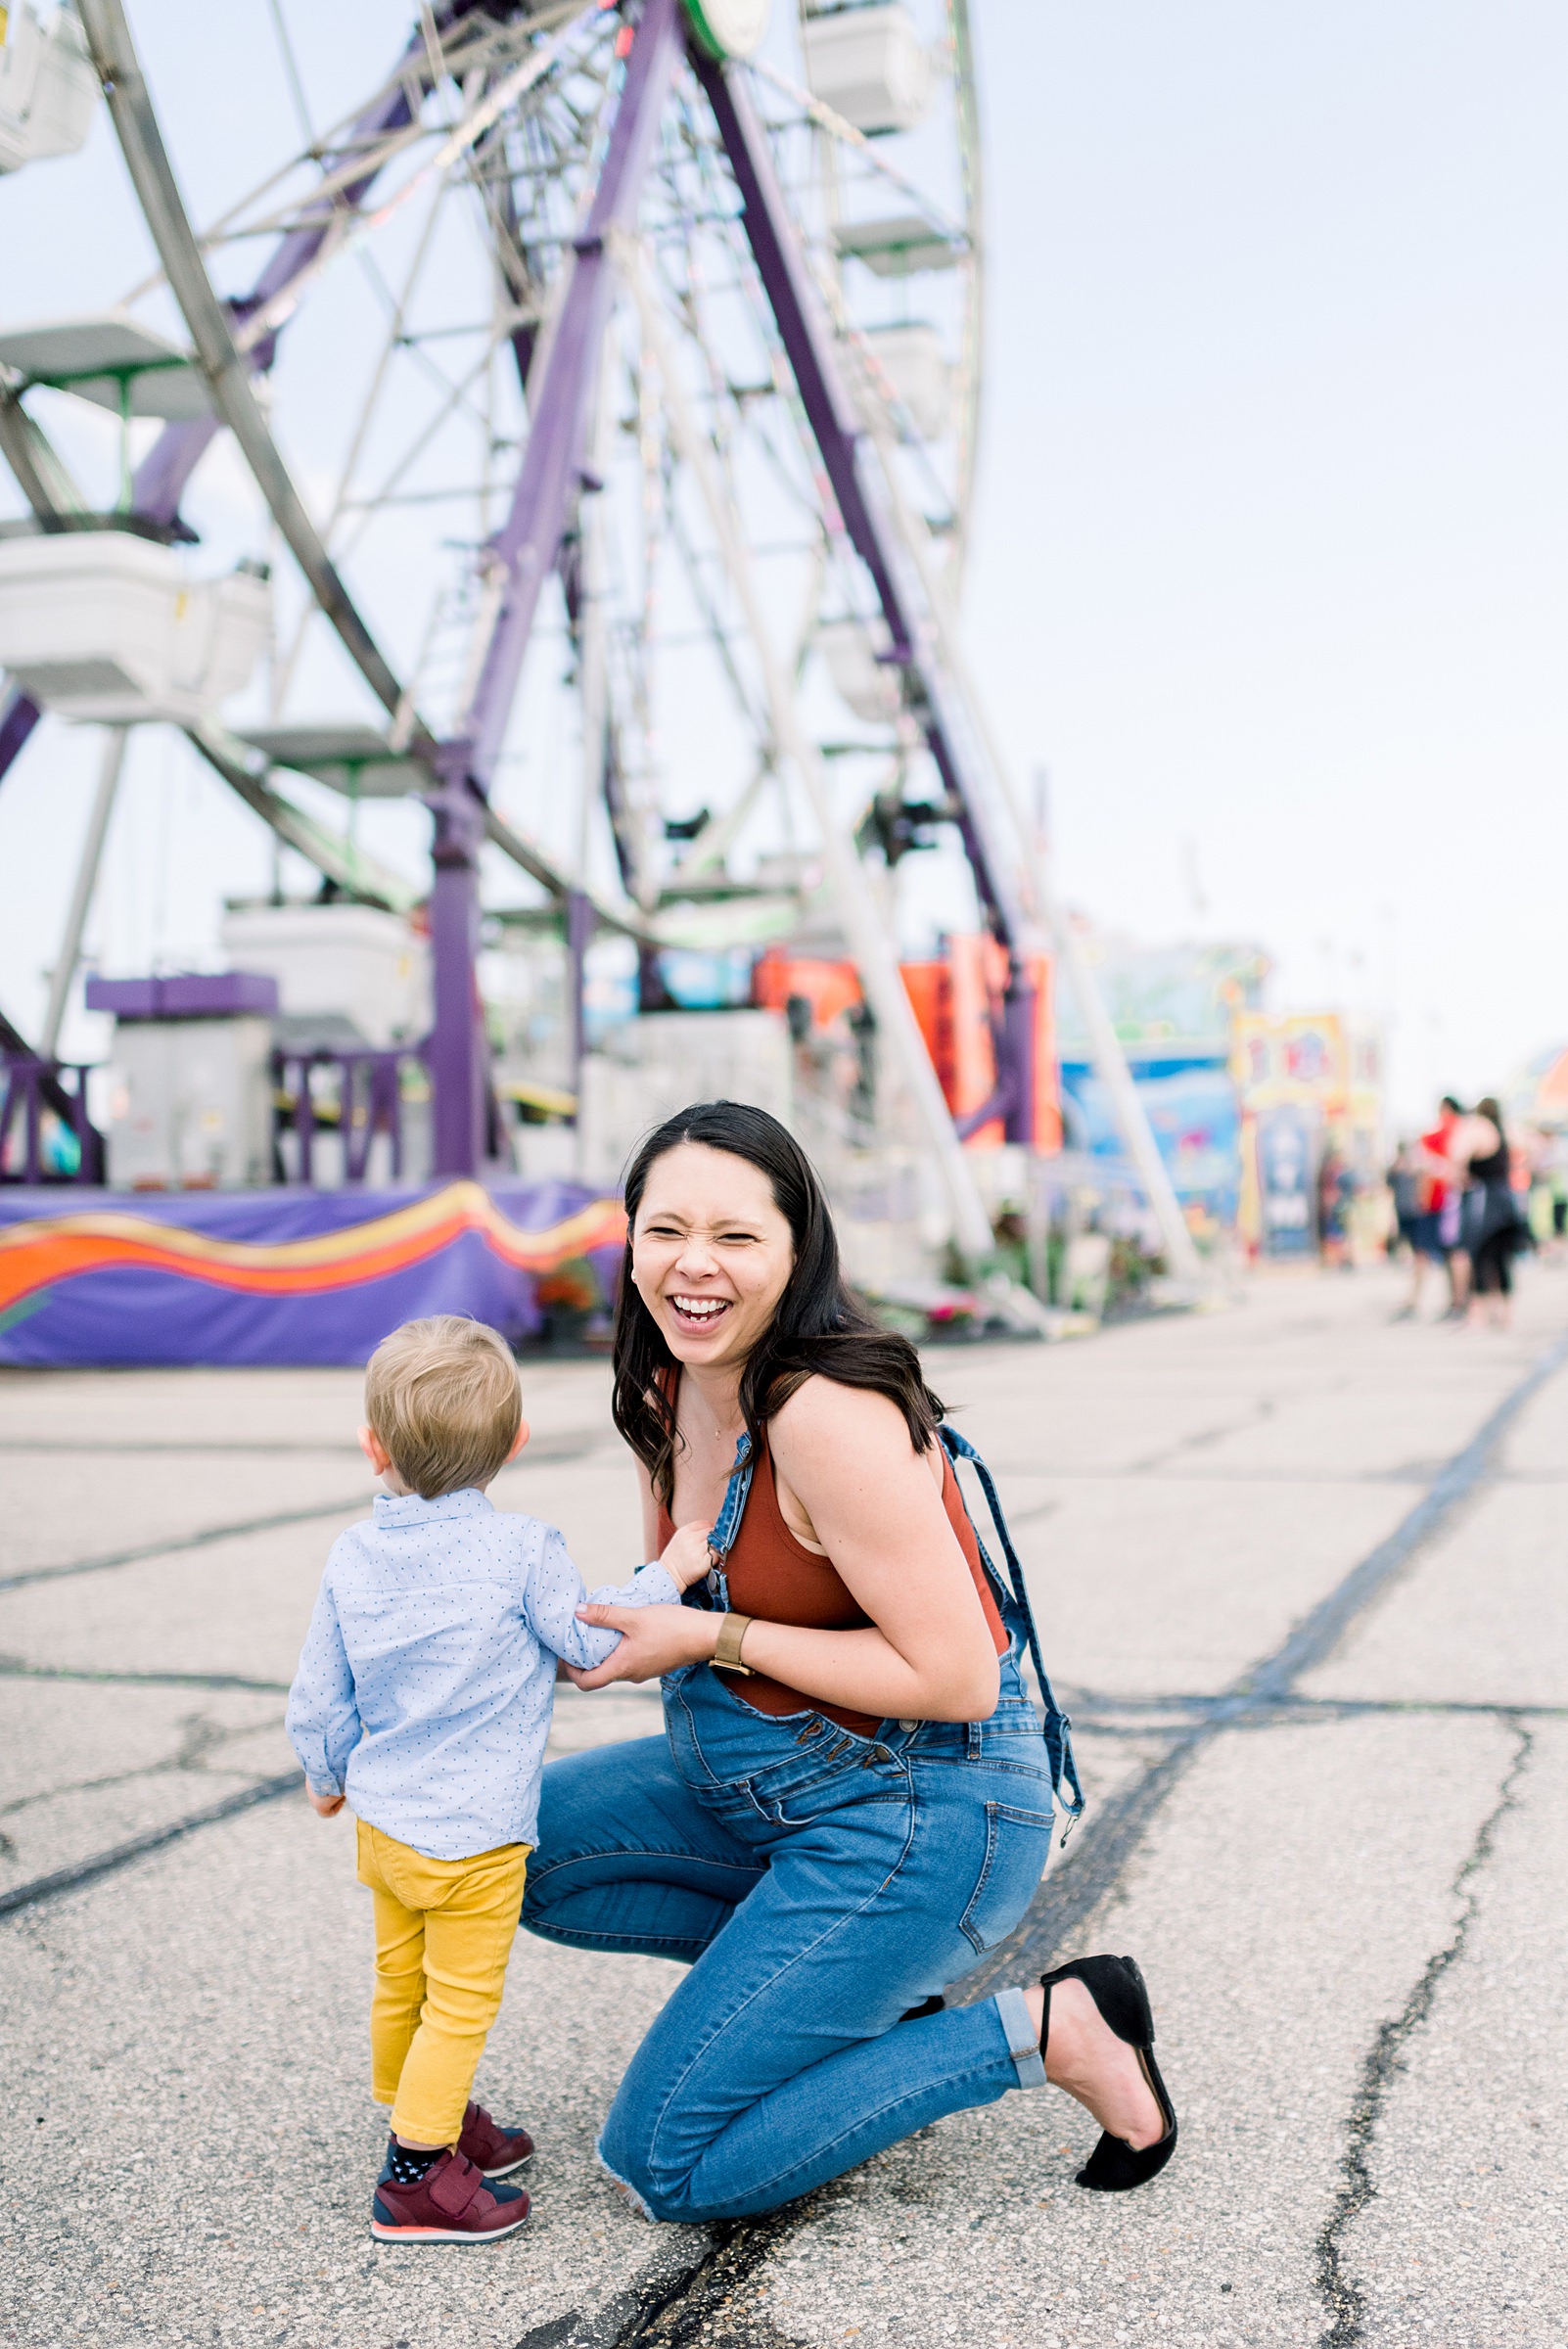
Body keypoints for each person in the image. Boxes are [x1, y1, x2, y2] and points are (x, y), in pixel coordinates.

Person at [521, 1100, 1176, 2226]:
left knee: (666, 2164)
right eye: (666, 1230)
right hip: (762, 1784)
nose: (695, 1266)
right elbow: (674, 1586)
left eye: (736, 1237)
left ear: (796, 1250)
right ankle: (844, 1994)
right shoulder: (662, 1387)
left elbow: (958, 1678)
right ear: (629, 1241)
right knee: (508, 1842)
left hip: (926, 1809)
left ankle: (1049, 2028)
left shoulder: (823, 1412)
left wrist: (709, 1638)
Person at [285, 1314, 714, 2244]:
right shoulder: (522, 1550)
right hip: (475, 1840)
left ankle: (427, 2118)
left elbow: (320, 1694)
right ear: (514, 1445)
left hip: (386, 1830)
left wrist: (325, 1775)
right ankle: (415, 2177)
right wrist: (668, 1572)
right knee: (461, 2004)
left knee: (401, 1984)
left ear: (373, 1447)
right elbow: (593, 1639)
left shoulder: (352, 1556)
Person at [1463, 1097, 1525, 1330]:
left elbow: (1458, 1156)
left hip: (1485, 1200)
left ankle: (1479, 1315)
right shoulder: (1507, 1130)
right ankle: (1505, 1315)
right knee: (1502, 1259)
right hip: (1507, 1199)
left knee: (1480, 1256)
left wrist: (1463, 1178)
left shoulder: (1480, 1130)